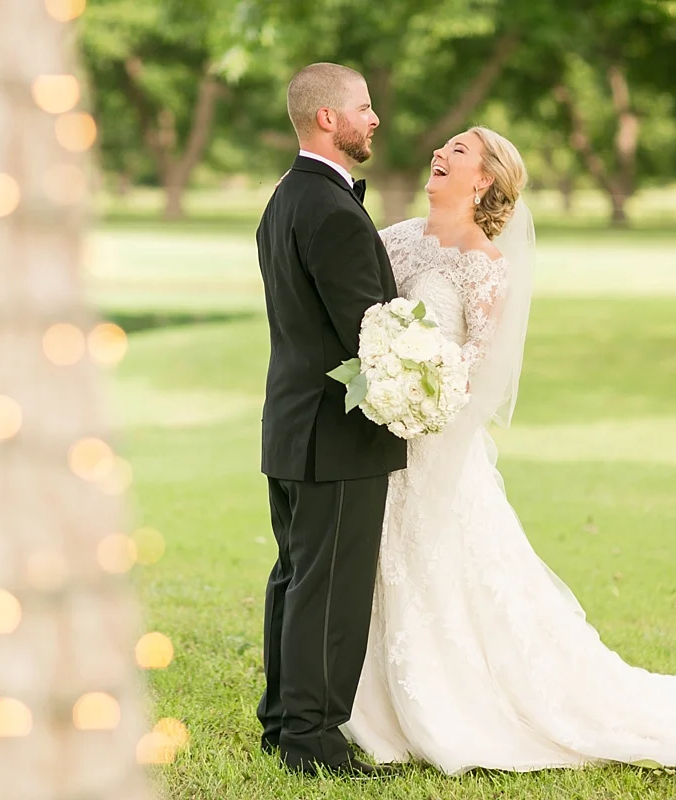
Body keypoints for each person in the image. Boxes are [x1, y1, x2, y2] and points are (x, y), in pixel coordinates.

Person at [342, 125, 676, 773]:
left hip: (435, 448)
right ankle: (371, 699)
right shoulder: (396, 238)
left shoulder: (484, 265)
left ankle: (446, 706)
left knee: (440, 567)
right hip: (380, 436)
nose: (439, 153)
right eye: (444, 147)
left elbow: (479, 370)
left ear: (485, 179)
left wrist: (420, 397)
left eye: (458, 151)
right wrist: (385, 375)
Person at [254, 62, 406, 778]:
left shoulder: (287, 197)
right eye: (363, 107)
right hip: (337, 433)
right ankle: (311, 741)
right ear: (327, 118)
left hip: (292, 425)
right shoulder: (333, 210)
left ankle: (283, 721)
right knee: (330, 589)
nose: (374, 118)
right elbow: (368, 337)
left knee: (295, 578)